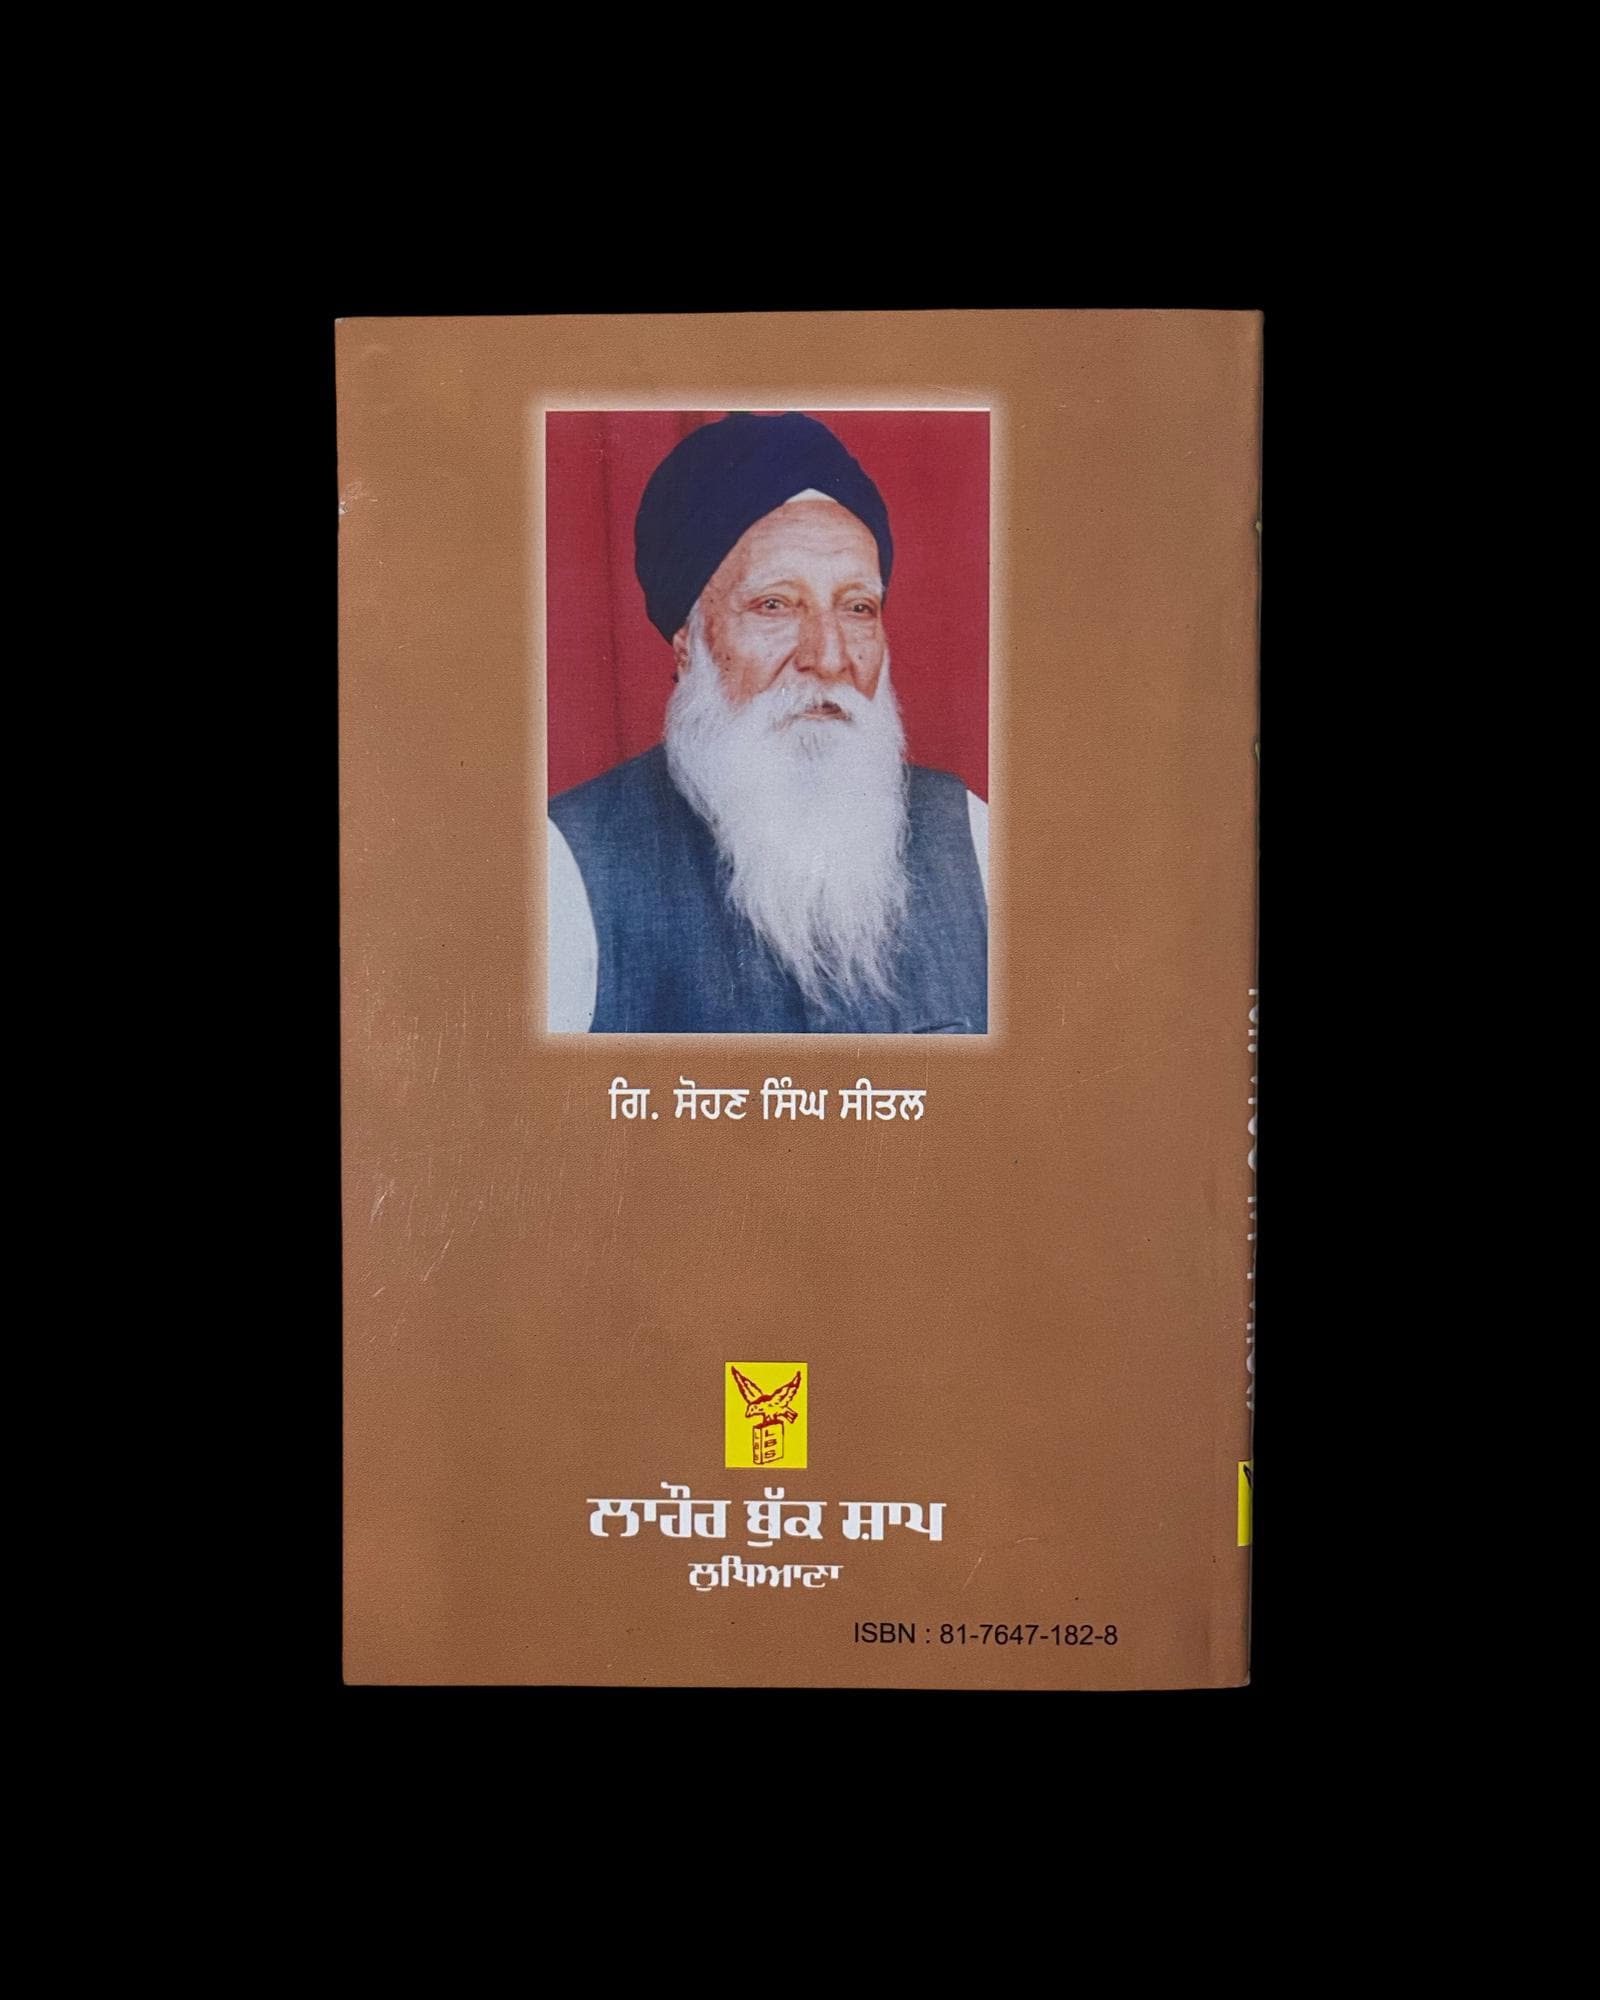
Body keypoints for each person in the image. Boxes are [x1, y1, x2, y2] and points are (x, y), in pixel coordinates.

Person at [547, 412, 988, 1033]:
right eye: (774, 605)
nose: (828, 657)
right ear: (688, 644)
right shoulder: (564, 867)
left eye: (858, 608)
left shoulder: (968, 833)